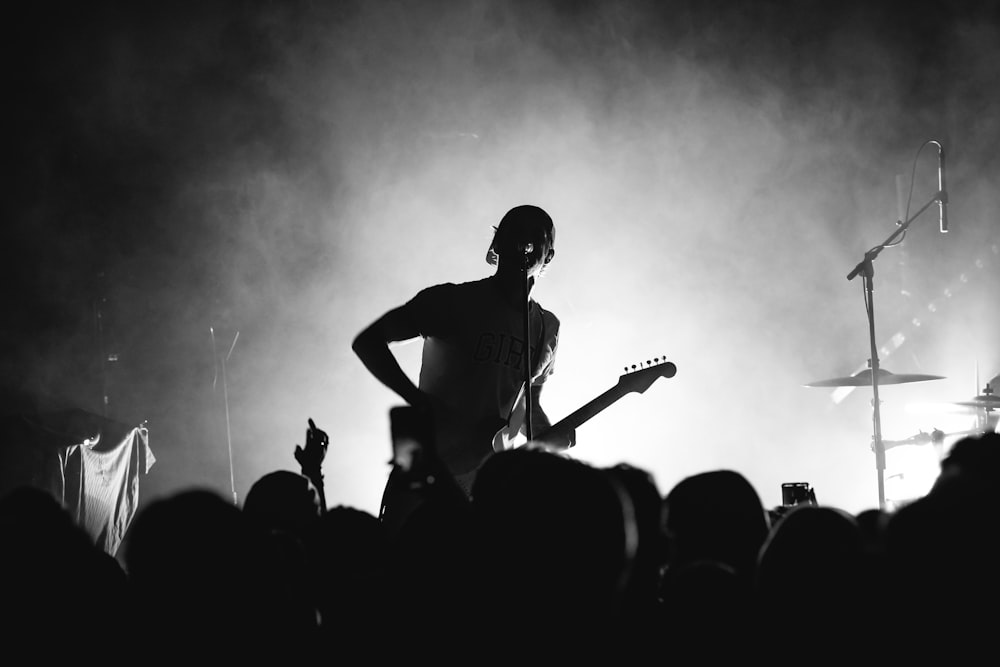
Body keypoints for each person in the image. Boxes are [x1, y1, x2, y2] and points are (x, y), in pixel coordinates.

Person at [352, 204, 575, 520]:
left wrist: (550, 434)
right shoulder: (453, 301)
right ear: (497, 243)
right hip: (427, 470)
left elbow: (529, 406)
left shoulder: (546, 328)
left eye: (534, 235)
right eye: (514, 231)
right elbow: (369, 341)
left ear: (548, 255)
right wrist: (417, 401)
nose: (523, 240)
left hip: (488, 484)